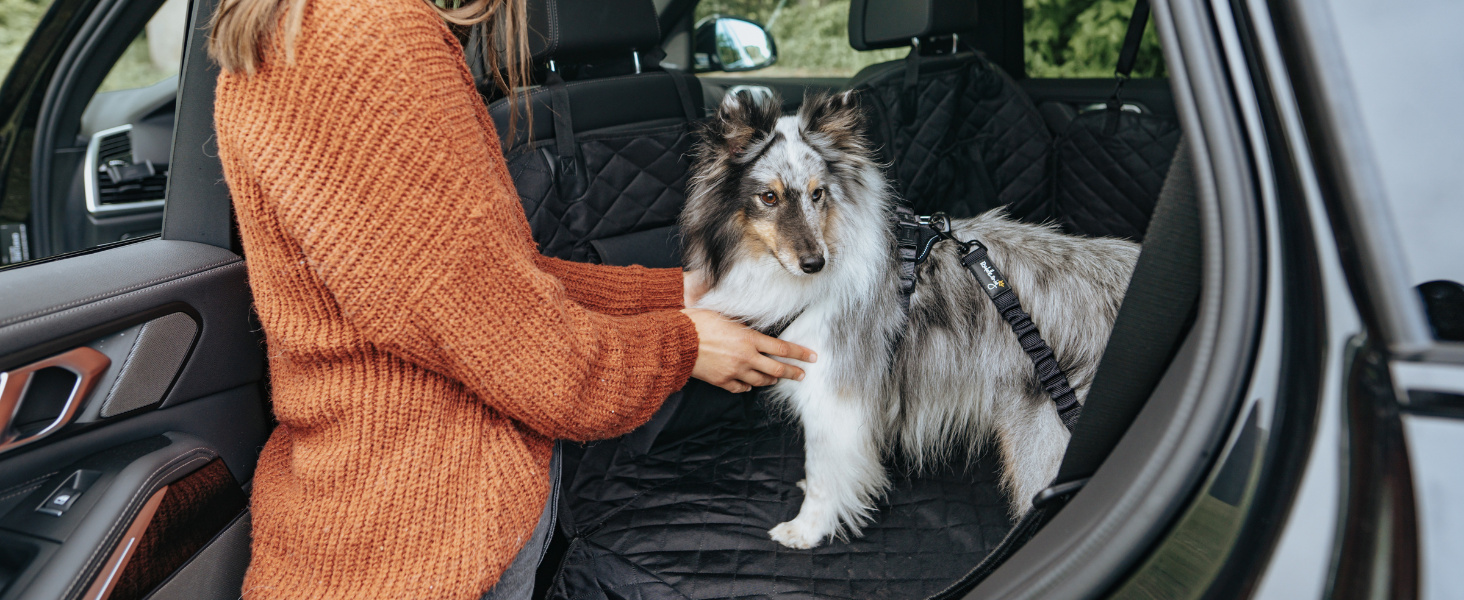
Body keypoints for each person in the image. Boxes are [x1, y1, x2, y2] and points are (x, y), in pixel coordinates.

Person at [207, 0, 815, 597]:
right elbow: (534, 358)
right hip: (426, 533)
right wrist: (684, 346)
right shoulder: (371, 30)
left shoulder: (300, 27)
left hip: (368, 508)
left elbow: (482, 278)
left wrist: (671, 293)